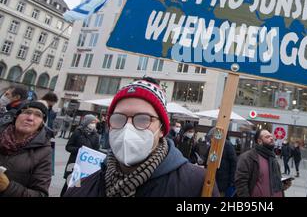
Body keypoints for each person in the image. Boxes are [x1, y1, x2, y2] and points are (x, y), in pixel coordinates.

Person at [64, 77, 218, 197]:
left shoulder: (198, 184)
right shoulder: (80, 187)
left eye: (143, 119)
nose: (127, 128)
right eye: (118, 118)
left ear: (162, 129)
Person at [0, 101, 52, 197]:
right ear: (17, 116)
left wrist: (8, 187)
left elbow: (40, 194)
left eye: (38, 115)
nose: (30, 118)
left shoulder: (44, 152)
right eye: (27, 112)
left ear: (41, 124)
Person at [235, 129, 291, 197]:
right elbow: (241, 183)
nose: (271, 138)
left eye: (271, 136)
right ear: (259, 141)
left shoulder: (273, 158)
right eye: (267, 137)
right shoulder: (248, 157)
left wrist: (283, 185)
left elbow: (274, 182)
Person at [60, 114, 100, 196]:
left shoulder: (96, 135)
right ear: (87, 122)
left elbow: (96, 150)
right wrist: (79, 150)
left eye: (95, 123)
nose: (93, 124)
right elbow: (68, 147)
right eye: (92, 122)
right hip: (74, 163)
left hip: (86, 165)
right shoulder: (78, 132)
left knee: (80, 186)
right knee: (69, 184)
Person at [205, 129, 237, 196]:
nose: (211, 140)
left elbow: (234, 164)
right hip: (211, 180)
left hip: (223, 183)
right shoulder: (212, 146)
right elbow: (206, 160)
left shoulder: (228, 145)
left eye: (211, 137)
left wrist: (231, 182)